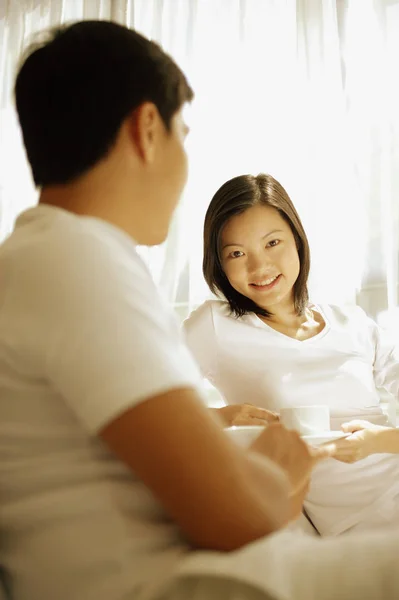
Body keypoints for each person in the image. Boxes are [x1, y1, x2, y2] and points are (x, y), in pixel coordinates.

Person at [0, 20, 397, 600]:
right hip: (184, 580)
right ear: (148, 129)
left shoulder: (52, 257)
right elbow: (235, 517)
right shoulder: (77, 262)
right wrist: (282, 461)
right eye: (183, 133)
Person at [184, 172, 399, 537]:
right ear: (219, 263)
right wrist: (223, 417)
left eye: (272, 243)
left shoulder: (351, 323)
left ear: (297, 241)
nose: (259, 266)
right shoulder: (214, 326)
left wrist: (376, 441)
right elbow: (141, 404)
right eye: (237, 253)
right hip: (354, 524)